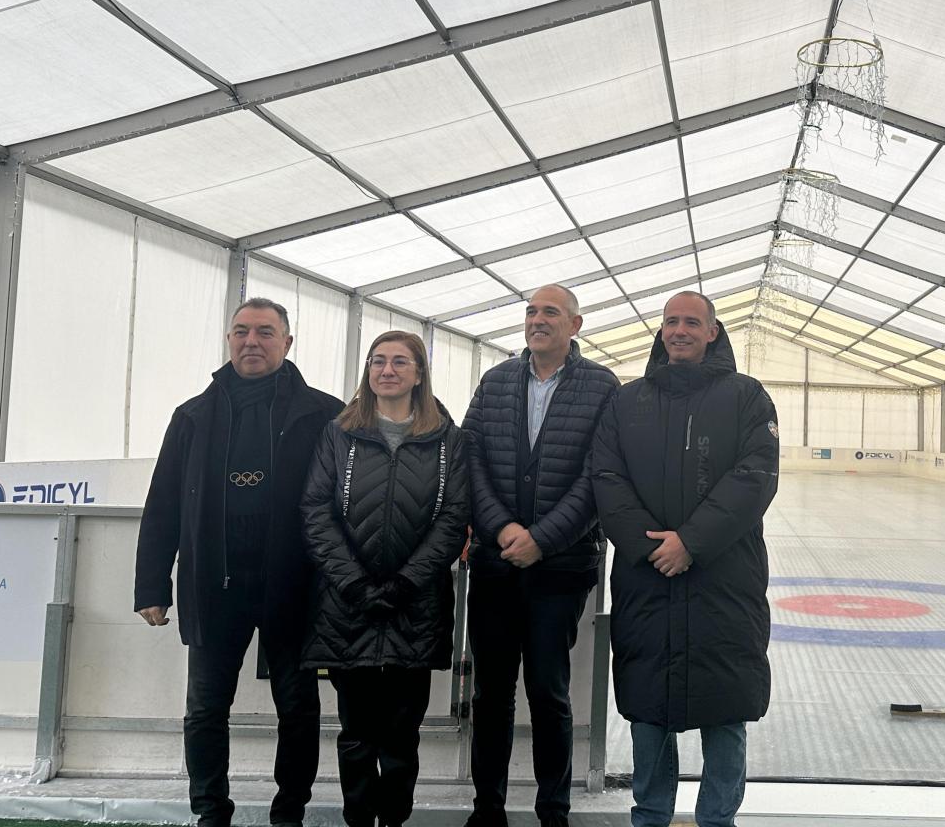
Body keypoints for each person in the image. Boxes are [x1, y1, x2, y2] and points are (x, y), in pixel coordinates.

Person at [134, 298, 344, 827]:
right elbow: (162, 505)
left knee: (297, 709)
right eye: (241, 332)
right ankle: (210, 813)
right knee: (205, 710)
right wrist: (152, 585)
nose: (252, 341)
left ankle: (288, 814)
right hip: (214, 583)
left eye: (266, 332)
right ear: (229, 340)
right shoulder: (193, 416)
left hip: (294, 586)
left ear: (287, 343)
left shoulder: (324, 414)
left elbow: (348, 500)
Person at [592, 291, 779, 827]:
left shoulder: (747, 397)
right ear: (661, 330)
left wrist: (691, 542)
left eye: (692, 322)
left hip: (725, 579)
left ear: (713, 332)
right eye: (671, 321)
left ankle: (717, 818)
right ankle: (650, 813)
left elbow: (754, 477)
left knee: (726, 707)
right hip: (645, 579)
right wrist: (653, 547)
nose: (680, 330)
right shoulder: (627, 402)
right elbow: (606, 477)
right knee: (649, 708)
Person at [461, 285, 620, 827]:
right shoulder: (496, 380)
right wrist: (501, 527)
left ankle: (553, 809)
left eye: (550, 312)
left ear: (575, 325)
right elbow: (472, 458)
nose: (537, 320)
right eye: (531, 311)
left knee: (549, 692)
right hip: (494, 563)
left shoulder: (601, 387)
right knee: (491, 694)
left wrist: (544, 538)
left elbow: (598, 474)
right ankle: (488, 808)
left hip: (561, 568)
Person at [299, 331, 469, 827]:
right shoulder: (339, 434)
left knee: (401, 733)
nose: (387, 370)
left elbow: (453, 519)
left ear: (419, 373)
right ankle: (358, 819)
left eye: (399, 362)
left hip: (414, 609)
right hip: (345, 607)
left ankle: (394, 818)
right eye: (378, 361)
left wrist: (405, 585)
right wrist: (352, 583)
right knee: (355, 734)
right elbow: (315, 509)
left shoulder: (449, 441)